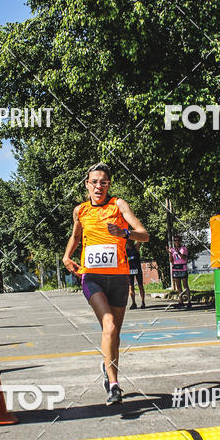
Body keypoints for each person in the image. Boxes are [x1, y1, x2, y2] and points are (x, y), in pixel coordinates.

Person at [63, 163, 149, 406]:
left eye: (103, 182)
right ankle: (114, 386)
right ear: (87, 185)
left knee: (114, 335)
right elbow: (76, 236)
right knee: (109, 326)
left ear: (109, 185)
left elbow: (144, 233)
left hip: (119, 278)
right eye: (94, 182)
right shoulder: (80, 210)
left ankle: (106, 365)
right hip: (92, 277)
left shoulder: (118, 205)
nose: (98, 186)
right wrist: (66, 256)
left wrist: (124, 232)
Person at [169, 235, 192, 309]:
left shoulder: (183, 249)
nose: (176, 242)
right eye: (175, 241)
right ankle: (181, 301)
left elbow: (184, 257)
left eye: (178, 240)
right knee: (178, 286)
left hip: (183, 267)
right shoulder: (172, 250)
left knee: (185, 285)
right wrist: (170, 253)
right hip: (175, 268)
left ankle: (189, 301)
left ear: (180, 241)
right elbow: (171, 260)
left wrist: (177, 252)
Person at [127, 238, 146, 309]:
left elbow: (140, 240)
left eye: (130, 240)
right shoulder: (125, 250)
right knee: (131, 287)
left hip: (137, 269)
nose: (129, 242)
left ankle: (143, 302)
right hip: (129, 270)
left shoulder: (136, 248)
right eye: (128, 241)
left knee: (140, 285)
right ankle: (133, 303)